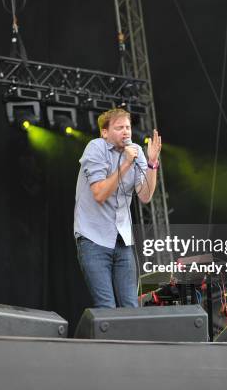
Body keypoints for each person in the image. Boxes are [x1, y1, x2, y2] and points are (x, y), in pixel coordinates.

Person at [74, 108, 162, 308]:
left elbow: (145, 195)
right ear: (105, 132)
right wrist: (125, 164)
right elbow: (100, 194)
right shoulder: (96, 148)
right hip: (93, 237)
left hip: (122, 240)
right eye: (119, 127)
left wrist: (152, 163)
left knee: (131, 306)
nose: (126, 132)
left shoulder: (137, 151)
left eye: (128, 127)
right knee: (107, 306)